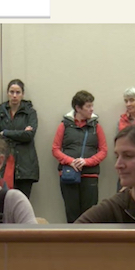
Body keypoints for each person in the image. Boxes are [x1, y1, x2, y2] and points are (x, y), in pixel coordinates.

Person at [52, 90, 108, 223]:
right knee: (72, 213)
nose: (92, 109)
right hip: (69, 174)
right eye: (88, 106)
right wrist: (70, 161)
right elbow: (55, 149)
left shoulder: (96, 126)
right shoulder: (64, 125)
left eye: (92, 105)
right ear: (78, 108)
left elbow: (103, 150)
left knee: (90, 214)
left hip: (90, 175)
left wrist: (87, 162)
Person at [0, 79, 39, 198]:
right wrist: (21, 133)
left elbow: (29, 136)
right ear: (7, 93)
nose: (14, 95)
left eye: (18, 92)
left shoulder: (30, 113)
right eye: (12, 92)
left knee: (22, 202)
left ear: (23, 94)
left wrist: (5, 132)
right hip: (3, 165)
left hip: (25, 167)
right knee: (2, 201)